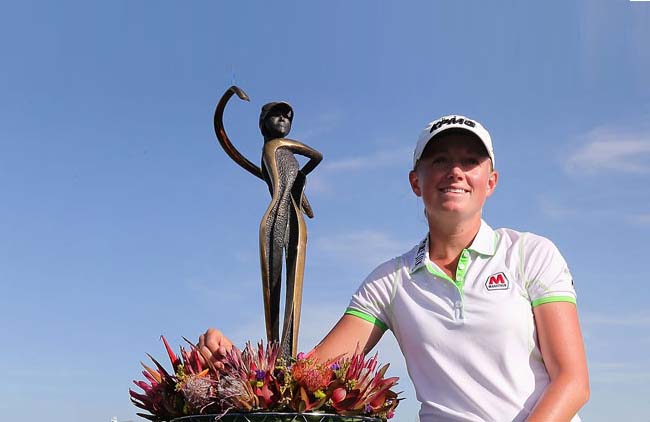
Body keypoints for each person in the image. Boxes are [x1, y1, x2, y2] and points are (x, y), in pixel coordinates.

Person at [199, 115, 589, 421]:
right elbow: (308, 372)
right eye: (440, 160)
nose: (456, 171)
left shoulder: (530, 253)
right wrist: (236, 363)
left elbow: (572, 380)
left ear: (491, 181)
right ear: (415, 182)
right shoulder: (390, 281)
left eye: (470, 161)